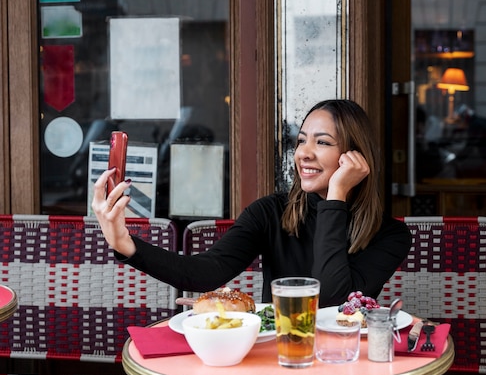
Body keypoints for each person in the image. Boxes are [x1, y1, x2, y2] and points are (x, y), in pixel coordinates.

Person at [92, 99, 411, 307]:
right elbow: (205, 273)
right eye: (301, 140)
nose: (303, 153)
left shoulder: (389, 236)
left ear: (355, 158)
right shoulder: (270, 212)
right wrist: (125, 243)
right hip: (275, 359)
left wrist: (336, 196)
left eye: (322, 142)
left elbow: (328, 301)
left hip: (345, 364)